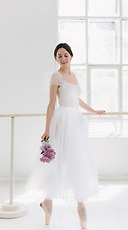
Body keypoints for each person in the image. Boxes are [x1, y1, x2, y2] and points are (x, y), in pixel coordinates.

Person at [27, 43, 106, 229]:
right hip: (62, 122)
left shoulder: (73, 76)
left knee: (76, 160)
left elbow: (76, 99)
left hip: (76, 122)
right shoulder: (56, 76)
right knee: (59, 161)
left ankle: (78, 203)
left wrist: (94, 110)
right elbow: (51, 104)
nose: (63, 58)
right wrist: (47, 129)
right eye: (59, 56)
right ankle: (49, 202)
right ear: (56, 58)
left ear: (71, 56)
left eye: (65, 55)